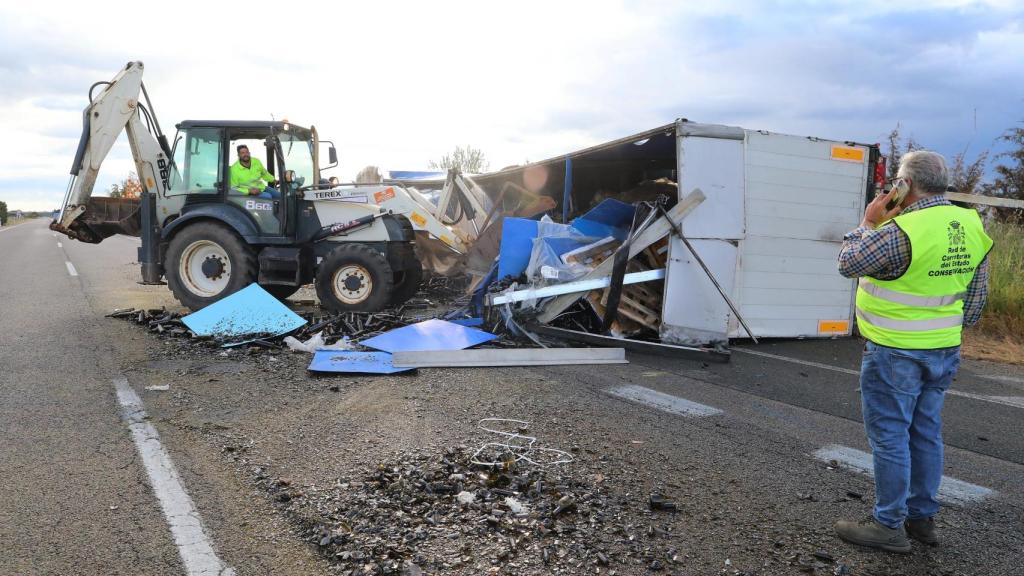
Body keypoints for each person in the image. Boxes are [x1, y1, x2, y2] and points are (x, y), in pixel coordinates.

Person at [835, 150, 992, 553]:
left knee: (890, 438)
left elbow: (849, 263)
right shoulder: (971, 224)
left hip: (894, 353)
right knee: (925, 434)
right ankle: (922, 520)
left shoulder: (900, 229)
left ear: (904, 185)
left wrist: (868, 221)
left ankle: (888, 525)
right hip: (942, 350)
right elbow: (973, 303)